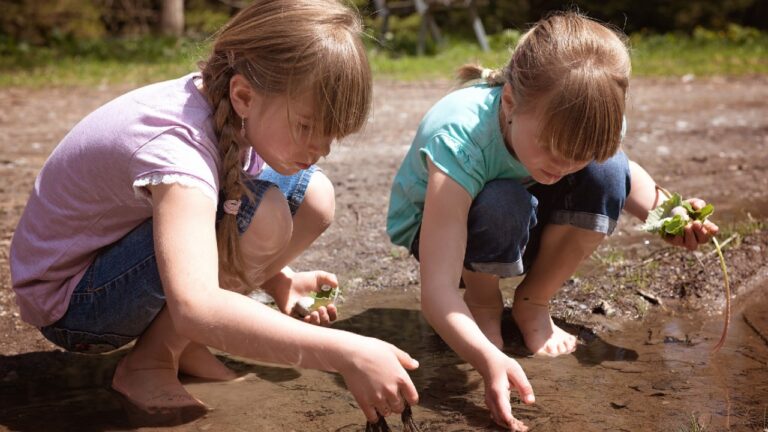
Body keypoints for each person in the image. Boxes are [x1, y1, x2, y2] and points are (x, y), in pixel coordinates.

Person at [9, 0, 419, 423]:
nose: (319, 150)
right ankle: (149, 363)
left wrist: (281, 281)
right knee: (263, 213)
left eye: (332, 135)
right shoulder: (178, 148)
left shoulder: (234, 109)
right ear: (243, 94)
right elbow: (196, 303)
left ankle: (181, 344)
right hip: (75, 304)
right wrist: (347, 352)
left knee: (313, 194)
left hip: (116, 264)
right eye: (306, 127)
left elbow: (220, 206)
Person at [386, 11, 718, 431]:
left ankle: (534, 301)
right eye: (551, 148)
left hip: (521, 208)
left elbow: (626, 179)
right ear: (510, 103)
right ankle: (483, 303)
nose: (562, 166)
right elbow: (435, 292)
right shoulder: (461, 137)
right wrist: (486, 360)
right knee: (503, 201)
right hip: (439, 228)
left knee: (609, 169)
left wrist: (670, 214)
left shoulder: (588, 123)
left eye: (576, 154)